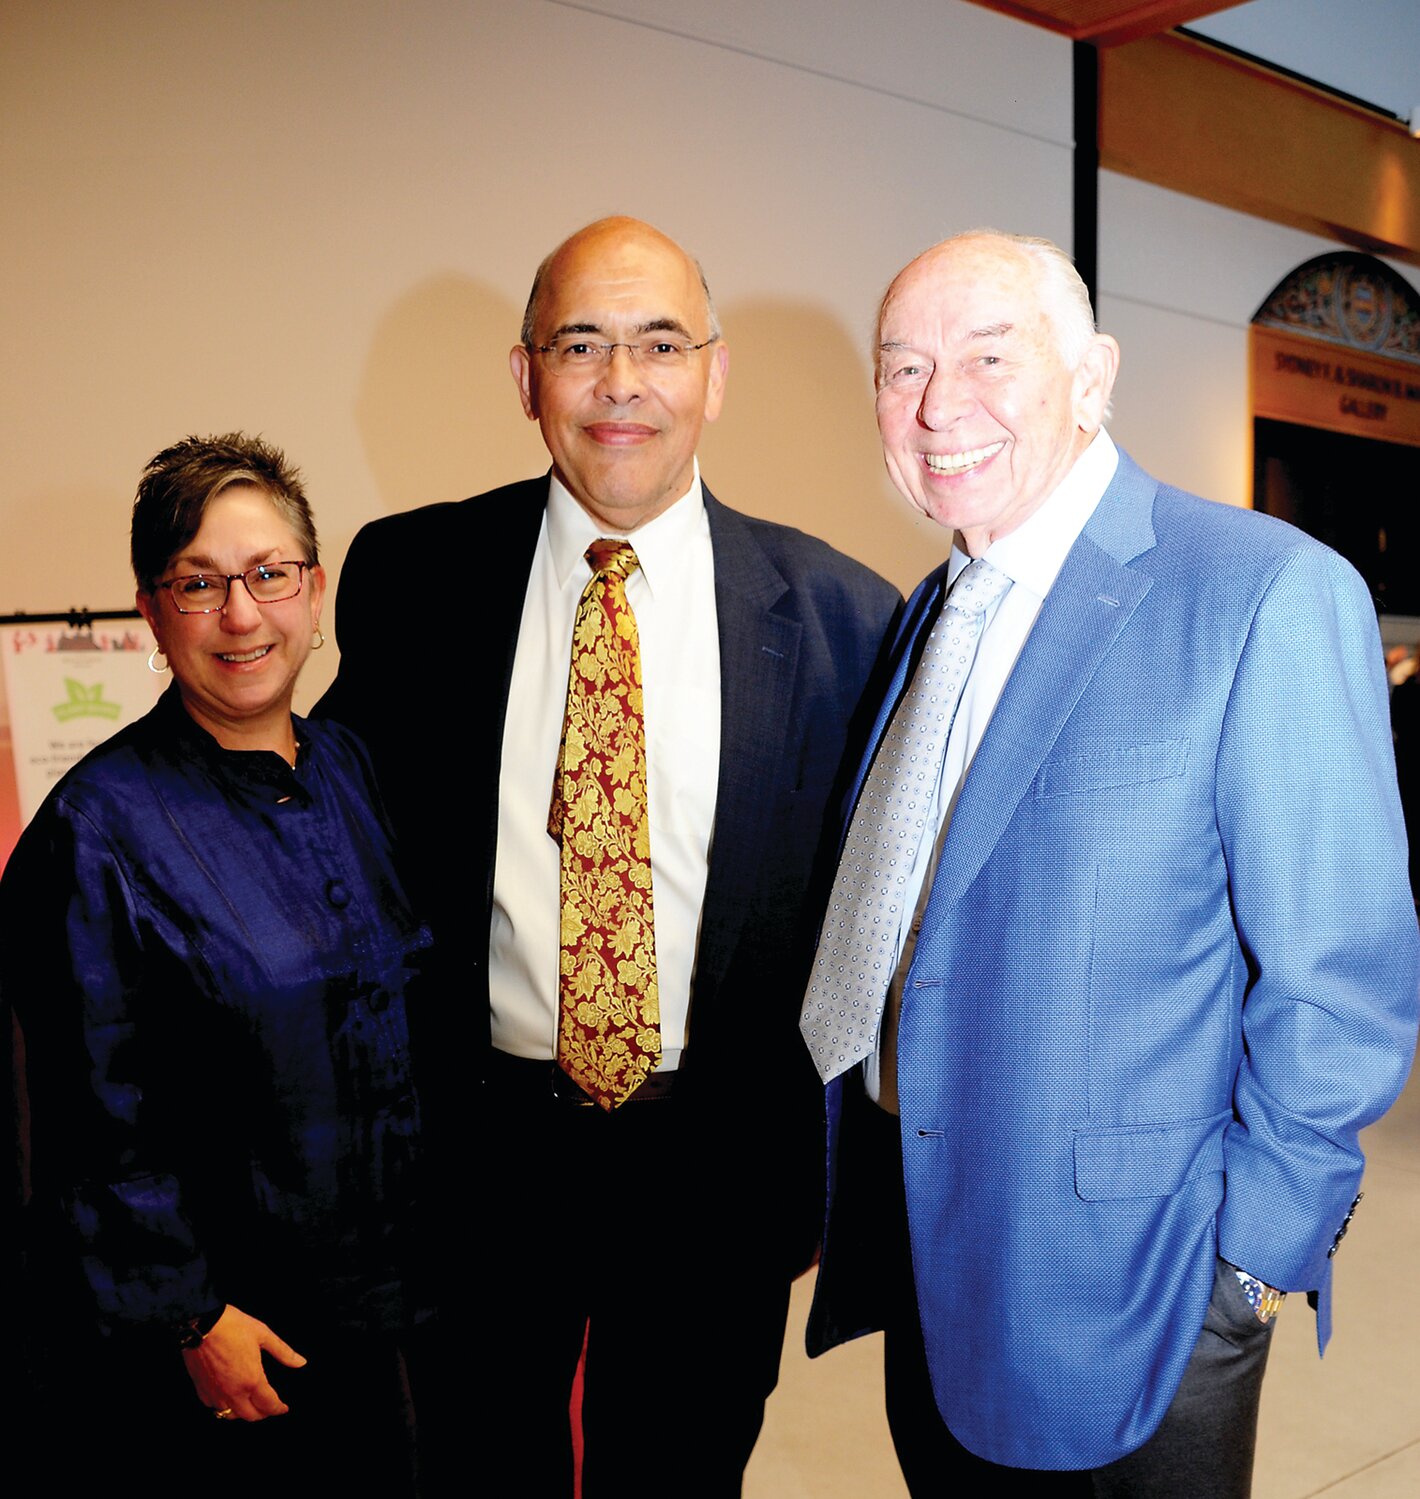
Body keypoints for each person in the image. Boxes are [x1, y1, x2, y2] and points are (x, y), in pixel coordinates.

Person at [800, 231, 1419, 1496]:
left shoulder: (1263, 593)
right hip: (931, 1246)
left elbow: (1341, 978)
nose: (935, 403)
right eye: (899, 365)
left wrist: (1244, 1265)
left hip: (1137, 1292)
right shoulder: (931, 607)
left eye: (987, 354)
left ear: (1092, 376)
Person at [318, 215, 900, 1495]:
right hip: (479, 1158)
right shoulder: (413, 575)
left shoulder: (842, 616)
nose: (621, 382)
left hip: (713, 1164)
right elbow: (343, 854)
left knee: (679, 1475)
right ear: (525, 376)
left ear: (714, 372)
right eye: (580, 344)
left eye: (658, 343)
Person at [2, 434, 433, 1494]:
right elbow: (87, 1113)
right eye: (200, 583)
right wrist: (189, 1313)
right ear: (152, 612)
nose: (242, 614)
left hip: (382, 1308)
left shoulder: (350, 766)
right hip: (221, 1344)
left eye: (268, 574)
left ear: (314, 586)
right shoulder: (97, 829)